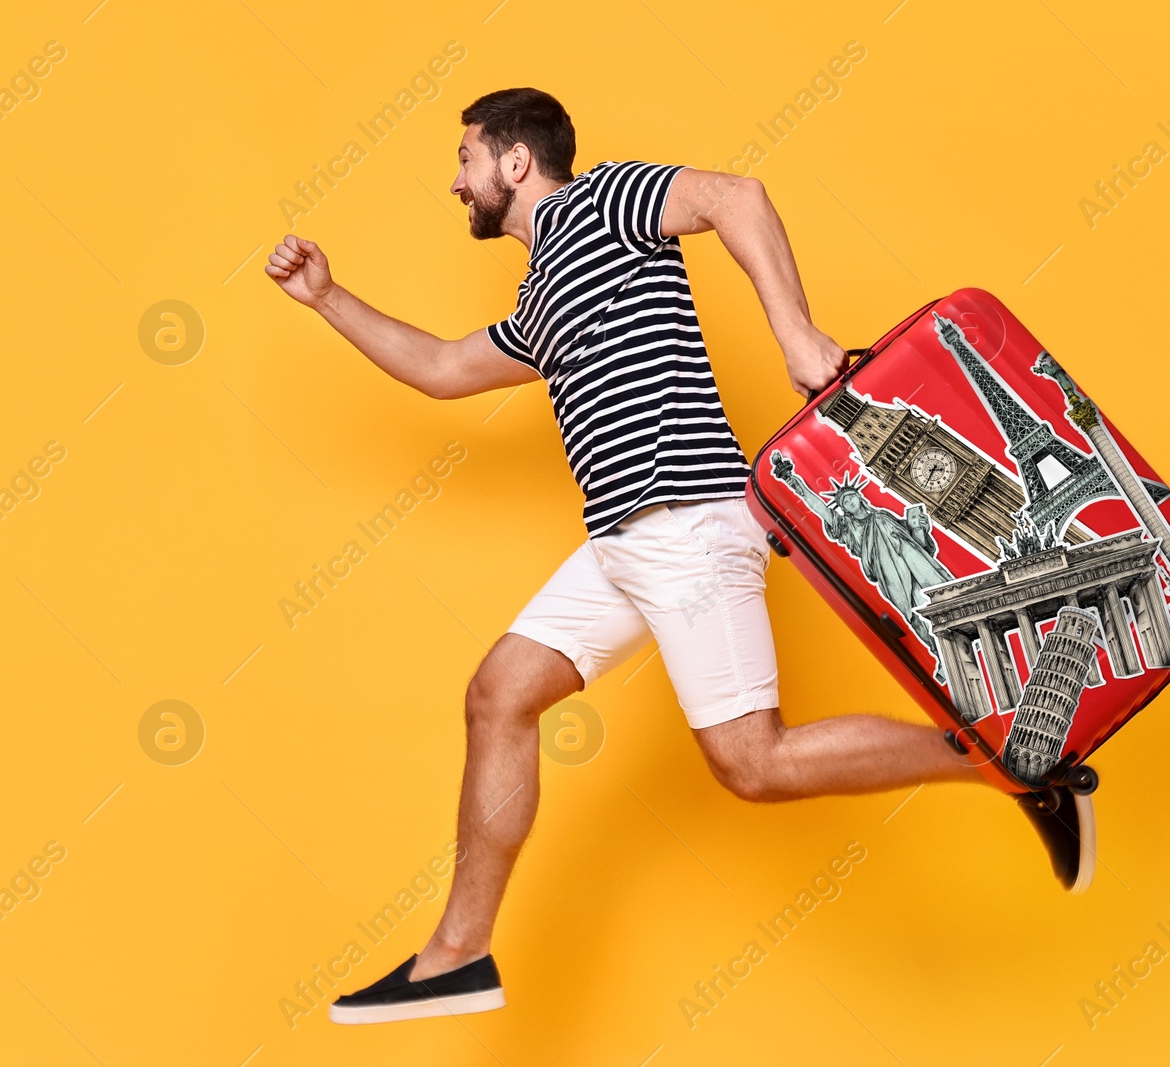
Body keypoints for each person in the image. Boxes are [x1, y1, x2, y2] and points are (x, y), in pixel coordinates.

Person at [267, 87, 1092, 1025]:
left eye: (465, 160)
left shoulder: (603, 201)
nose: (454, 182)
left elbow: (734, 196)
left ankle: (1010, 759)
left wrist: (795, 331)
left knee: (751, 764)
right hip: (623, 540)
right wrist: (326, 297)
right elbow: (446, 369)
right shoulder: (543, 296)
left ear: (515, 162)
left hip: (688, 521)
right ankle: (457, 954)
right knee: (499, 694)